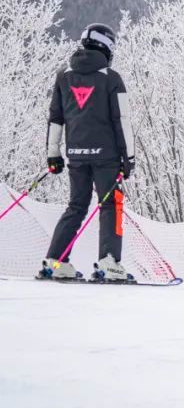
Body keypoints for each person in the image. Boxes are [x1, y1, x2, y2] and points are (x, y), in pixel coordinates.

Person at [39, 23, 136, 280]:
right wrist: (129, 157)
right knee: (111, 205)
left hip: (76, 155)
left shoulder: (63, 76)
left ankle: (55, 261)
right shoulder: (111, 78)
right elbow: (121, 120)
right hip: (106, 156)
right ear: (107, 47)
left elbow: (55, 118)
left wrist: (53, 154)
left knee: (76, 205)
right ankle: (110, 263)